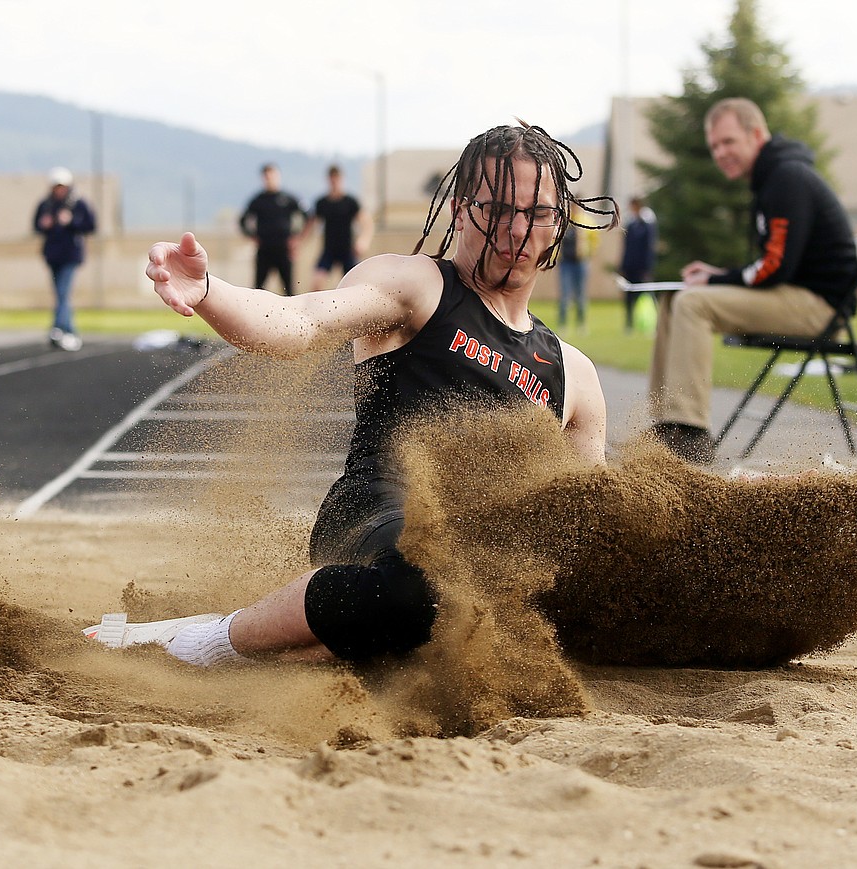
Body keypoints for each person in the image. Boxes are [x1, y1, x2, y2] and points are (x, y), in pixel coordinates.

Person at [83, 122, 619, 668]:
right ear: (460, 211)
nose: (517, 231)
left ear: (558, 225)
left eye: (537, 214)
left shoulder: (573, 375)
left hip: (473, 559)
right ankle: (209, 641)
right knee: (426, 586)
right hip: (374, 516)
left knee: (506, 607)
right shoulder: (417, 288)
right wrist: (208, 293)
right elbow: (300, 324)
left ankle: (307, 644)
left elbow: (575, 521)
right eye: (498, 210)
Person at [648, 97, 857, 464]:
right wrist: (717, 276)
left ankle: (689, 433)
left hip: (818, 308)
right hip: (791, 294)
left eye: (728, 142)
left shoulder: (787, 178)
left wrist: (717, 282)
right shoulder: (770, 179)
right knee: (676, 297)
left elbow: (775, 268)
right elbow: (770, 265)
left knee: (693, 302)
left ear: (757, 134)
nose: (720, 153)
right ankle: (666, 424)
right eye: (714, 145)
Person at [33, 167, 96, 351]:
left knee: (62, 292)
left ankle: (59, 329)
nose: (59, 190)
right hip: (53, 256)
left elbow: (90, 225)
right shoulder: (46, 205)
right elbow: (36, 225)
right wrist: (44, 225)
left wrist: (71, 222)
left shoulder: (77, 203)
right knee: (61, 294)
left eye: (62, 186)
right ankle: (68, 331)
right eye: (56, 186)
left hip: (70, 255)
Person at [239, 163, 306, 296]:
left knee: (289, 290)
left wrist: (297, 238)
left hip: (283, 249)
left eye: (272, 175)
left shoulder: (287, 198)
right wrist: (252, 236)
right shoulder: (258, 200)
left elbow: (306, 216)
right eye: (266, 176)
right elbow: (243, 221)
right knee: (258, 289)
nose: (269, 179)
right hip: (264, 250)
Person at [304, 164, 374, 289]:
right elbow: (311, 226)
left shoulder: (350, 202)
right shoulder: (322, 203)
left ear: (341, 179)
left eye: (337, 179)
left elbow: (367, 223)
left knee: (354, 285)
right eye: (332, 179)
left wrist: (363, 241)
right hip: (329, 249)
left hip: (347, 250)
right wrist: (298, 242)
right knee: (317, 283)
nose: (334, 182)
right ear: (328, 180)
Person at [556, 201, 599, 329]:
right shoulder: (565, 222)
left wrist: (589, 254)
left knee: (581, 294)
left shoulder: (586, 221)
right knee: (565, 294)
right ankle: (562, 323)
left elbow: (594, 240)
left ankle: (581, 323)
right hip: (566, 263)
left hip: (580, 262)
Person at [618, 196, 658, 332]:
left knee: (646, 294)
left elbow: (649, 247)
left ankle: (651, 323)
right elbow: (626, 247)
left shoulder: (647, 224)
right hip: (630, 266)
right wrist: (623, 266)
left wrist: (647, 267)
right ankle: (629, 323)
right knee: (629, 296)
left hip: (642, 267)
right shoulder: (631, 224)